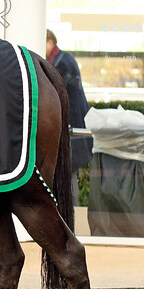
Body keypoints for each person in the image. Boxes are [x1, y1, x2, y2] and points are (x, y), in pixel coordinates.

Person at [46, 29, 92, 203]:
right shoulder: (63, 59)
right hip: (71, 126)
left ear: (50, 42)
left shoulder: (61, 62)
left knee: (68, 172)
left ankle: (69, 215)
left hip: (70, 128)